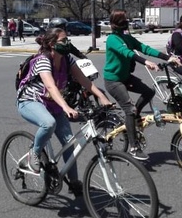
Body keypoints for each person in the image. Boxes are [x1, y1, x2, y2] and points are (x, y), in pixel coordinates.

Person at [17, 28, 112, 195]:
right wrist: (66, 107)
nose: (68, 43)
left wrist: (101, 96)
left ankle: (74, 183)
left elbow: (83, 79)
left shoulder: (67, 59)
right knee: (48, 123)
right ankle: (34, 154)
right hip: (30, 101)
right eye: (64, 40)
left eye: (68, 40)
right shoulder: (42, 60)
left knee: (69, 142)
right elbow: (50, 86)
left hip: (52, 103)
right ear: (52, 44)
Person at [103, 10, 181, 160]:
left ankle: (135, 116)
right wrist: (145, 62)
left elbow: (144, 48)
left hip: (125, 77)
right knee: (129, 109)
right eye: (123, 19)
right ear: (115, 23)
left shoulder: (127, 37)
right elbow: (127, 53)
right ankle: (133, 147)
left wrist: (168, 57)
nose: (126, 21)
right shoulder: (112, 39)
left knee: (149, 92)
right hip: (113, 81)